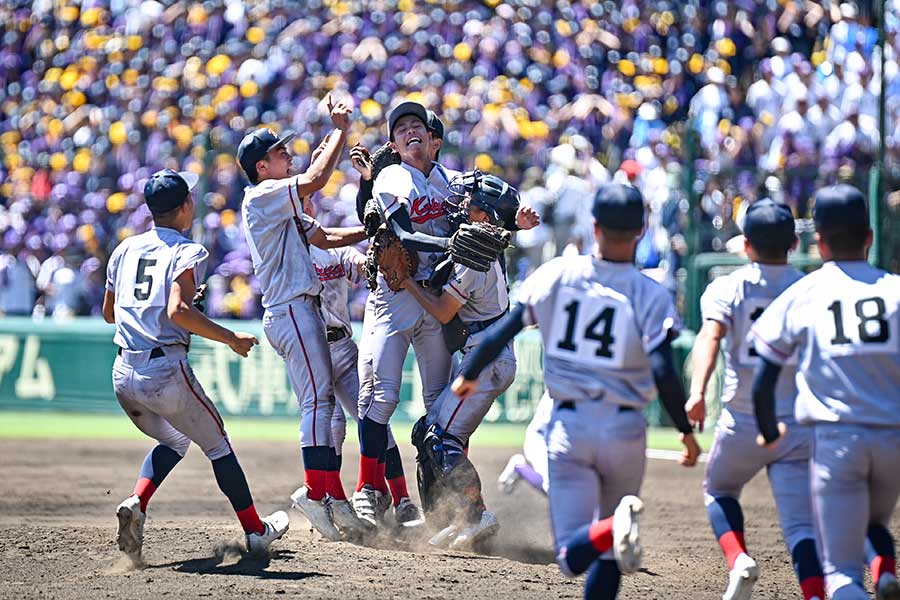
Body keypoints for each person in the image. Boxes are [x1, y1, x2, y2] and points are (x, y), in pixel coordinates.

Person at [452, 183, 700, 598]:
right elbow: (664, 370)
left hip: (570, 425)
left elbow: (503, 330)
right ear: (641, 230)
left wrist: (470, 372)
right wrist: (685, 432)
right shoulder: (651, 293)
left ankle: (612, 528)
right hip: (626, 429)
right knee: (607, 556)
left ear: (595, 227)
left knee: (572, 553)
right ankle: (614, 526)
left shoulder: (559, 274)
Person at [104, 169, 289, 562]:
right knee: (219, 446)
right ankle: (256, 533)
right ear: (186, 206)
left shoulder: (124, 249)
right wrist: (231, 338)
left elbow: (109, 313)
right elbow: (178, 311)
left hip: (123, 373)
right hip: (163, 369)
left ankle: (137, 502)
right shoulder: (188, 250)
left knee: (174, 440)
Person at [751, 184, 900, 600]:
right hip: (893, 438)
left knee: (840, 574)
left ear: (819, 242)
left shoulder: (805, 291)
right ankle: (886, 572)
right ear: (869, 237)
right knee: (871, 523)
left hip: (837, 441)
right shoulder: (895, 289)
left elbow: (765, 376)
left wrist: (767, 428)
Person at [238, 96, 369, 541]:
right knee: (318, 404)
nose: (288, 154)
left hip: (297, 308)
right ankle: (315, 493)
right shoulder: (262, 196)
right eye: (279, 152)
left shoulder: (276, 200)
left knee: (325, 407)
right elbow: (314, 179)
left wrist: (372, 230)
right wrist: (338, 130)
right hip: (291, 308)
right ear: (261, 167)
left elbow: (326, 237)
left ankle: (330, 496)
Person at [686, 199, 825, 600]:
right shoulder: (809, 287)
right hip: (796, 423)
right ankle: (815, 593)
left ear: (746, 245)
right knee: (801, 526)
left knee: (719, 491)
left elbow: (710, 336)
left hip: (742, 419)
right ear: (794, 241)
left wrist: (697, 393)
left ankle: (739, 559)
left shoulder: (728, 286)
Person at [400, 170, 519, 550]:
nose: (463, 204)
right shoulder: (485, 243)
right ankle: (453, 518)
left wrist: (405, 282)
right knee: (427, 433)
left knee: (442, 439)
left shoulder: (475, 256)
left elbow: (443, 310)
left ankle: (477, 514)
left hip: (486, 356)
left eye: (472, 202)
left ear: (485, 216)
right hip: (488, 353)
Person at [496, 391, 551, 496]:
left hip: (558, 441)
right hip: (540, 439)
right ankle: (519, 467)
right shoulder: (561, 386)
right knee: (551, 488)